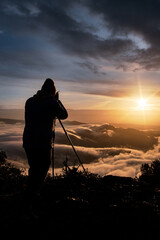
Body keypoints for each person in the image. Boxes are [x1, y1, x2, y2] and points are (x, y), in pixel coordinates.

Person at [23, 78, 68, 196]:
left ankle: (28, 193)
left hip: (28, 141)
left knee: (34, 169)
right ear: (52, 91)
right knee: (42, 170)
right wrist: (57, 101)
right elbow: (64, 115)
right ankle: (30, 197)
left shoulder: (29, 101)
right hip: (43, 142)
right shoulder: (52, 102)